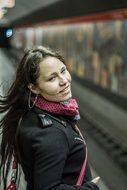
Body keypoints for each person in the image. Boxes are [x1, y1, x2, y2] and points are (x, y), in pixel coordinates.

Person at [0, 46, 100, 190]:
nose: (64, 80)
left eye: (63, 71)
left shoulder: (33, 114)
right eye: (52, 78)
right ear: (34, 88)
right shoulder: (51, 134)